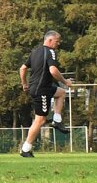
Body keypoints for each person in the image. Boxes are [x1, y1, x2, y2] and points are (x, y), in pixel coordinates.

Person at [18, 30, 72, 158]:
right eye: (57, 41)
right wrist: (65, 81)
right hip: (41, 90)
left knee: (61, 93)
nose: (58, 44)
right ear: (49, 40)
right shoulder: (51, 51)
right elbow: (53, 71)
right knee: (40, 120)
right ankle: (25, 149)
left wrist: (25, 84)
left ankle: (57, 120)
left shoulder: (35, 52)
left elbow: (23, 68)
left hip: (43, 87)